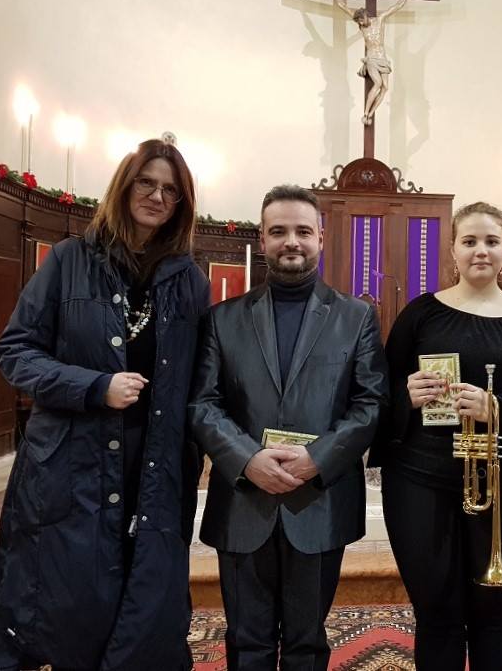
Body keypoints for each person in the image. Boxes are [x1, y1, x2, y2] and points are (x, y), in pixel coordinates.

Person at [0, 138, 209, 670]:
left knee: (146, 603)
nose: (157, 196)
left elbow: (205, 380)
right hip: (73, 463)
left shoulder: (190, 282)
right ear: (124, 186)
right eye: (146, 182)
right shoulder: (69, 261)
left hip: (154, 465)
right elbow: (14, 352)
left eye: (170, 190)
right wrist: (93, 386)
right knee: (69, 604)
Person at [188, 184, 388, 671]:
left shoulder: (356, 317)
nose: (291, 241)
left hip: (317, 500)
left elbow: (370, 403)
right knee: (246, 643)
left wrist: (317, 459)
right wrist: (246, 460)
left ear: (321, 236)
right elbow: (203, 404)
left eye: (302, 230)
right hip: (244, 502)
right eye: (278, 231)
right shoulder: (222, 319)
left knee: (307, 644)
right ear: (262, 239)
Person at [371, 201, 502, 671]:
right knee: (435, 612)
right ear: (453, 251)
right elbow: (377, 392)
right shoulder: (421, 314)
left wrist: (498, 408)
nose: (480, 250)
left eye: (491, 241)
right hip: (420, 484)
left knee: (495, 615)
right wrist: (406, 395)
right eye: (469, 241)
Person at [325, 0, 418, 125]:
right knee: (378, 83)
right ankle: (365, 113)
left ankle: (371, 113)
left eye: (361, 20)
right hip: (372, 59)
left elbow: (397, 6)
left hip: (383, 58)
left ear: (365, 16)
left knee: (385, 88)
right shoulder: (362, 26)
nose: (360, 23)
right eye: (358, 22)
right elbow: (343, 6)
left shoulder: (379, 20)